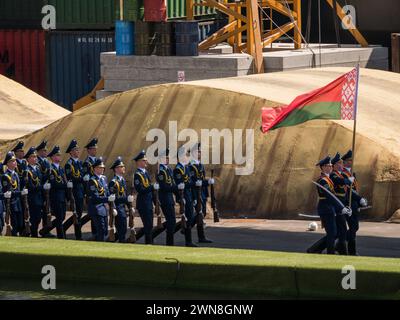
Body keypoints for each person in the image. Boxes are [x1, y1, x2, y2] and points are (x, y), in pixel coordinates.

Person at [309, 156, 352, 254]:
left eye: (330, 166)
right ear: (323, 167)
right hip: (325, 208)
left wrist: (342, 208)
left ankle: (315, 249)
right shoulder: (323, 181)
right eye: (327, 166)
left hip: (330, 208)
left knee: (333, 233)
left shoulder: (328, 179)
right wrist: (341, 208)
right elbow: (330, 196)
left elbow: (334, 197)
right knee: (332, 232)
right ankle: (330, 253)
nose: (330, 167)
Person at [341, 150, 368, 255]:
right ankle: (350, 251)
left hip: (354, 203)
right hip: (348, 203)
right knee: (353, 227)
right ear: (344, 162)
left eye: (352, 160)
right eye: (348, 160)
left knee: (354, 227)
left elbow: (355, 189)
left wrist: (359, 202)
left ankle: (341, 244)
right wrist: (359, 198)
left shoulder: (353, 173)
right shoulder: (343, 174)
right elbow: (348, 189)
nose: (351, 162)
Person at [188, 143, 213, 243]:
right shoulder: (191, 166)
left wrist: (206, 194)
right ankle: (188, 229)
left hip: (201, 192)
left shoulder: (200, 165)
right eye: (198, 151)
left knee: (202, 213)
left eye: (200, 151)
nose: (200, 153)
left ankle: (197, 234)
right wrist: (207, 182)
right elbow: (192, 182)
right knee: (199, 214)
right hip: (195, 192)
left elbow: (201, 180)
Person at [23, 147, 49, 238]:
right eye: (33, 157)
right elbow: (30, 187)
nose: (35, 158)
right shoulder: (27, 171)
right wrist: (42, 187)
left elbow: (41, 180)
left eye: (35, 156)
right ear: (28, 159)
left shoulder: (37, 168)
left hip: (39, 198)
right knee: (35, 218)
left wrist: (48, 174)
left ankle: (31, 232)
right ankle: (33, 234)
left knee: (38, 218)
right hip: (32, 198)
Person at [133, 150, 158, 245]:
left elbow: (149, 189)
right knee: (148, 226)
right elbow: (141, 189)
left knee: (149, 225)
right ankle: (149, 243)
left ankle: (136, 239)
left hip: (148, 203)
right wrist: (151, 187)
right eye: (144, 160)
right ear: (138, 162)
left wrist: (155, 202)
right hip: (143, 203)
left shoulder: (145, 173)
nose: (146, 162)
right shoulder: (137, 174)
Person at [173, 146, 196, 247]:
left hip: (189, 195)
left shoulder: (186, 167)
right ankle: (188, 241)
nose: (188, 157)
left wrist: (194, 197)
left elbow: (189, 183)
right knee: (187, 218)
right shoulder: (178, 169)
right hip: (184, 197)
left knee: (190, 218)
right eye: (187, 155)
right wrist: (180, 198)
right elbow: (179, 186)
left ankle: (185, 235)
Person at [330, 152, 352, 255]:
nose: (341, 165)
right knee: (341, 229)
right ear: (334, 165)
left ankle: (315, 248)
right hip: (337, 205)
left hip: (342, 204)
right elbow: (339, 181)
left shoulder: (340, 174)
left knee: (339, 231)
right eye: (338, 163)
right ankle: (342, 250)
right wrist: (347, 181)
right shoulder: (332, 175)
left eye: (341, 163)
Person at [157, 148, 179, 246]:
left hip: (170, 198)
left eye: (167, 157)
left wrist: (179, 196)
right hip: (164, 198)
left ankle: (169, 242)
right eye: (165, 158)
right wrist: (176, 187)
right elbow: (164, 187)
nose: (167, 159)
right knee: (171, 221)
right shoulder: (161, 171)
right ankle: (169, 243)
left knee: (172, 221)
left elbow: (172, 183)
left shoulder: (169, 169)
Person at [87, 157, 113, 242]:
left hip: (104, 208)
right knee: (101, 230)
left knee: (105, 231)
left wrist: (112, 205)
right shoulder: (92, 180)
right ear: (95, 168)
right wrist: (107, 199)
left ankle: (93, 242)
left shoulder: (103, 178)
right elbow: (95, 197)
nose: (102, 169)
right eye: (100, 167)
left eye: (103, 167)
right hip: (96, 208)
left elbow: (107, 191)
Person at [1, 151, 26, 236]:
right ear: (7, 163)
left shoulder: (15, 174)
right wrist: (21, 193)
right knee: (15, 225)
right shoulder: (5, 176)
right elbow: (8, 192)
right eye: (12, 161)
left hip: (18, 203)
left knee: (21, 224)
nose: (15, 162)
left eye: (15, 160)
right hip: (11, 204)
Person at [65, 139, 85, 240]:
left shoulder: (80, 163)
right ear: (71, 152)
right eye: (75, 150)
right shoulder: (69, 164)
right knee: (77, 214)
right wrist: (82, 179)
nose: (77, 151)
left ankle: (64, 227)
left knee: (79, 213)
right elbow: (71, 178)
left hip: (81, 191)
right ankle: (78, 235)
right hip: (74, 192)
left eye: (78, 150)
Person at [109, 157, 130, 243]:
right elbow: (112, 197)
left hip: (123, 208)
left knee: (124, 229)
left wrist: (129, 206)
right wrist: (113, 208)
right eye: (121, 166)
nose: (123, 168)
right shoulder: (113, 182)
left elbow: (125, 194)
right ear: (116, 169)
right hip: (118, 208)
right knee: (121, 229)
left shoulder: (122, 180)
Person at [48, 146, 67, 239]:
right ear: (52, 157)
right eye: (57, 155)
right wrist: (66, 185)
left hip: (62, 196)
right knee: (59, 218)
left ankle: (45, 230)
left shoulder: (61, 168)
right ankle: (61, 237)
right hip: (56, 196)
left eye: (59, 155)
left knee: (62, 217)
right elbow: (54, 184)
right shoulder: (51, 169)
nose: (59, 157)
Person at [83, 138, 99, 239]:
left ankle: (97, 232)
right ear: (88, 150)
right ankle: (94, 234)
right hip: (91, 191)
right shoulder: (87, 163)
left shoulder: (97, 161)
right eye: (93, 149)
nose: (95, 150)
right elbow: (86, 178)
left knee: (97, 212)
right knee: (93, 213)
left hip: (98, 190)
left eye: (95, 149)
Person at [36, 140, 52, 233]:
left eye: (45, 151)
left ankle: (45, 231)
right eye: (43, 151)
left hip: (47, 190)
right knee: (38, 214)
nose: (45, 152)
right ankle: (33, 230)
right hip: (40, 190)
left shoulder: (47, 162)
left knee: (47, 212)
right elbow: (40, 176)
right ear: (39, 152)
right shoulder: (37, 163)